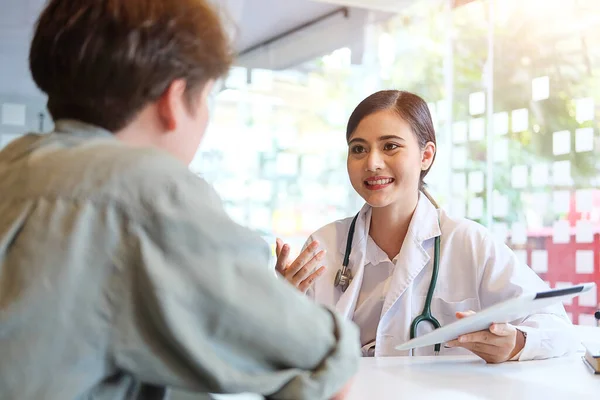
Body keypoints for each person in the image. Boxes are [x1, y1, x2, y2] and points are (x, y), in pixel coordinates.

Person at [0, 1, 360, 399]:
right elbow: (325, 363)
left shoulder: (12, 167)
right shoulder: (145, 191)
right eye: (206, 96)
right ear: (173, 100)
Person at [275, 90, 579, 362]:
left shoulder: (466, 242)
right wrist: (280, 303)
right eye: (359, 149)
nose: (372, 163)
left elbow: (555, 324)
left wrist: (516, 343)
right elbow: (284, 352)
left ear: (426, 155)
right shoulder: (325, 245)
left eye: (390, 146)